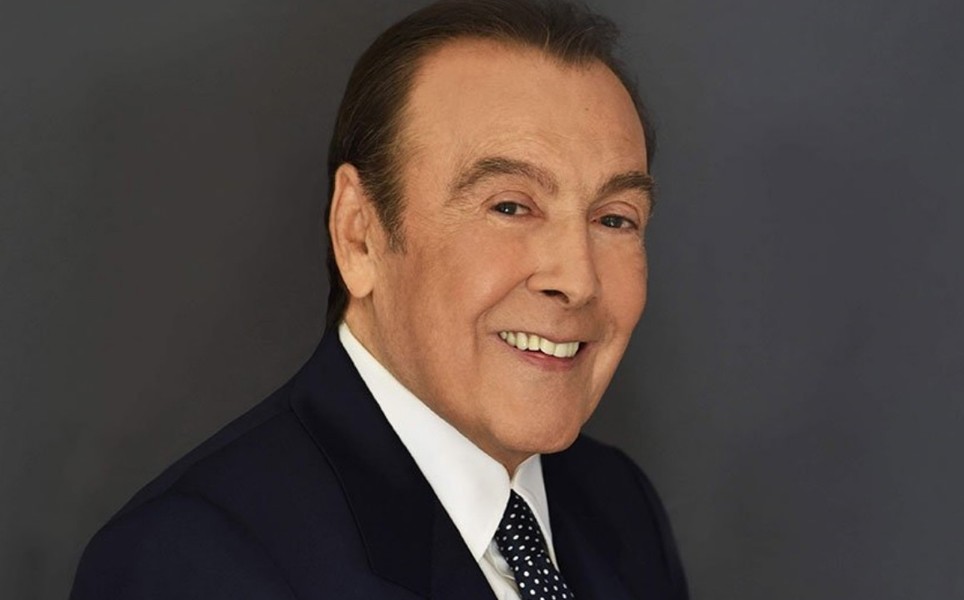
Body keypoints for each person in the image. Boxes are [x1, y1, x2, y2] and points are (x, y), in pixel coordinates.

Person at [70, 0, 689, 598]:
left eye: (615, 219)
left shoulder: (617, 505)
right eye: (509, 206)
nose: (577, 280)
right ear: (359, 234)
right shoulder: (195, 562)